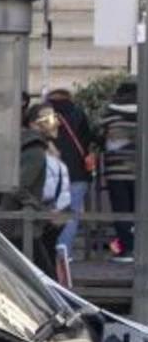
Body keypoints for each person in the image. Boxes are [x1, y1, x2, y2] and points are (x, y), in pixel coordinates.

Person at [16, 102, 72, 278]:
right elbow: (24, 186)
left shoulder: (47, 150)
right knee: (44, 273)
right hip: (40, 219)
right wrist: (44, 211)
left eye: (54, 117)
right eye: (48, 118)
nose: (54, 123)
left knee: (46, 269)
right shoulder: (36, 151)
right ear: (33, 124)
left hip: (49, 218)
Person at [45, 86, 96, 265]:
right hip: (77, 172)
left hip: (52, 171)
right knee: (72, 212)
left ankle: (50, 251)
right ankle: (64, 252)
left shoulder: (46, 116)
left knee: (51, 211)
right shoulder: (78, 113)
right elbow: (88, 138)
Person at [101, 81, 137, 264]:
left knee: (122, 211)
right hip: (142, 172)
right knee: (141, 211)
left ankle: (127, 249)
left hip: (116, 170)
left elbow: (99, 136)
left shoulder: (111, 115)